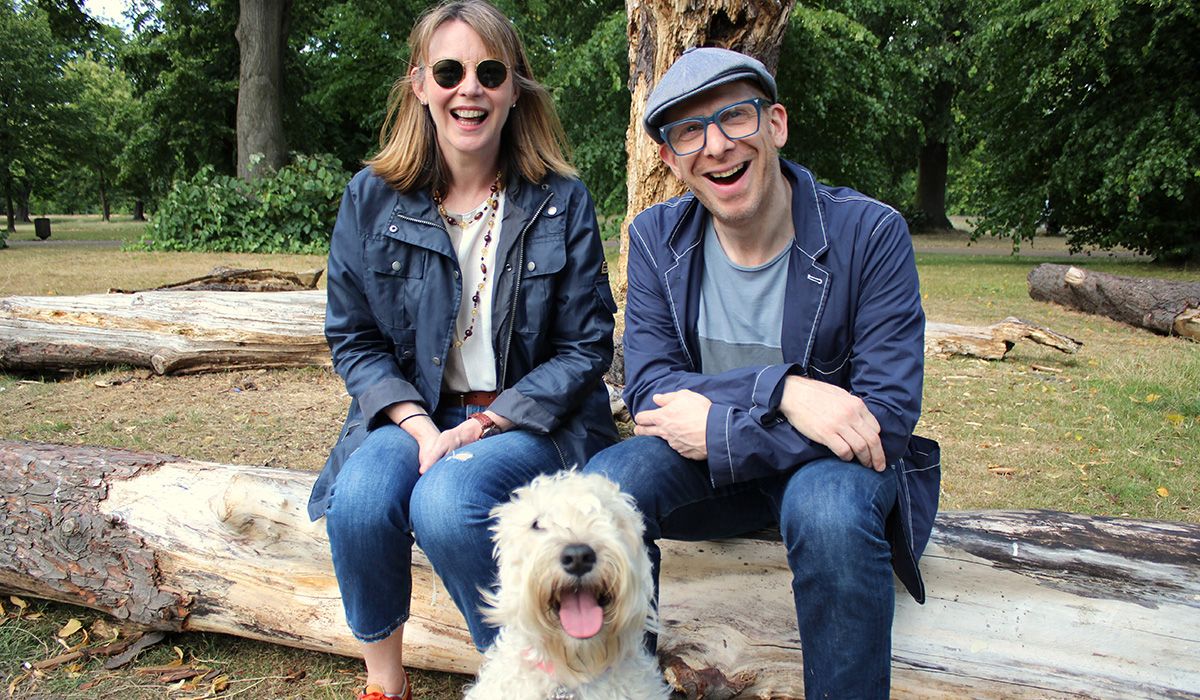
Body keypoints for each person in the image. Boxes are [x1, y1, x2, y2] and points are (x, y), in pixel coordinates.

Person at [583, 47, 941, 698]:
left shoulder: (870, 233)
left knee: (827, 510)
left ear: (775, 124)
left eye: (735, 117)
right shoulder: (657, 237)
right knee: (604, 490)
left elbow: (884, 417)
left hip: (829, 470)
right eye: (689, 131)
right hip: (712, 473)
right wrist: (785, 390)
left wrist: (722, 429)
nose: (716, 145)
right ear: (669, 158)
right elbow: (652, 388)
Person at [306, 2, 619, 698]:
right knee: (360, 498)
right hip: (416, 412)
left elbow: (584, 347)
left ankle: (535, 677)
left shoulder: (561, 200)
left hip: (531, 420)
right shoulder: (371, 197)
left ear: (515, 89)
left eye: (490, 72)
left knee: (448, 502)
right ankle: (385, 683)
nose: (468, 89)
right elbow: (353, 337)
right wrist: (420, 426)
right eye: (448, 72)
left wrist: (479, 428)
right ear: (420, 85)